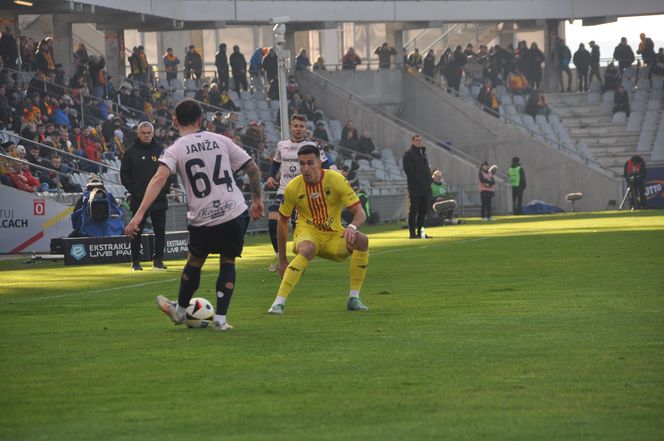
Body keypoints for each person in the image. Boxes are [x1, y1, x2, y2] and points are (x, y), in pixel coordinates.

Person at [125, 99, 264, 331]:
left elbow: (159, 179)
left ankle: (179, 311)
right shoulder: (221, 140)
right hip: (234, 211)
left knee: (195, 261)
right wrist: (258, 200)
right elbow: (253, 169)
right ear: (201, 120)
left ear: (175, 120)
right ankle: (221, 320)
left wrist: (138, 215)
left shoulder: (175, 149)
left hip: (204, 217)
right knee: (228, 261)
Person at [266, 144, 369, 315]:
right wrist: (282, 259)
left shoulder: (336, 180)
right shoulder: (292, 187)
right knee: (308, 248)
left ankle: (354, 298)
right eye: (302, 164)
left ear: (319, 163)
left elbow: (360, 212)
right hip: (307, 232)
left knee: (362, 240)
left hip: (333, 236)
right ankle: (278, 303)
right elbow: (282, 221)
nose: (305, 168)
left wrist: (352, 227)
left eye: (310, 163)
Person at [265, 114, 332, 272]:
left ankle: (298, 260)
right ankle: (278, 255)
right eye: (296, 126)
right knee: (273, 219)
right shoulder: (282, 145)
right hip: (284, 189)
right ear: (291, 127)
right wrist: (269, 176)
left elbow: (326, 163)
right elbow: (276, 163)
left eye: (301, 126)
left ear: (306, 128)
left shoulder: (311, 146)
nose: (298, 129)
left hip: (304, 191)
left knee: (298, 228)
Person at [120, 121, 170, 271]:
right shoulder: (130, 152)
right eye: (144, 133)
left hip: (159, 199)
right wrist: (136, 191)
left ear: (153, 133)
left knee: (160, 230)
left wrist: (163, 190)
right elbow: (124, 175)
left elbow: (169, 172)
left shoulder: (161, 150)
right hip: (139, 199)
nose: (146, 135)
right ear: (138, 133)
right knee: (136, 231)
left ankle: (158, 260)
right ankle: (135, 262)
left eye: (149, 133)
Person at [402, 134, 432, 239]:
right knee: (414, 210)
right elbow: (409, 171)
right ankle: (412, 233)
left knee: (423, 211)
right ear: (412, 141)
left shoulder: (423, 153)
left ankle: (420, 231)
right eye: (417, 140)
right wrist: (419, 181)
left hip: (425, 187)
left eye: (420, 140)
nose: (419, 142)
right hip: (415, 187)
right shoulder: (409, 154)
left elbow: (426, 169)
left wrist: (429, 180)